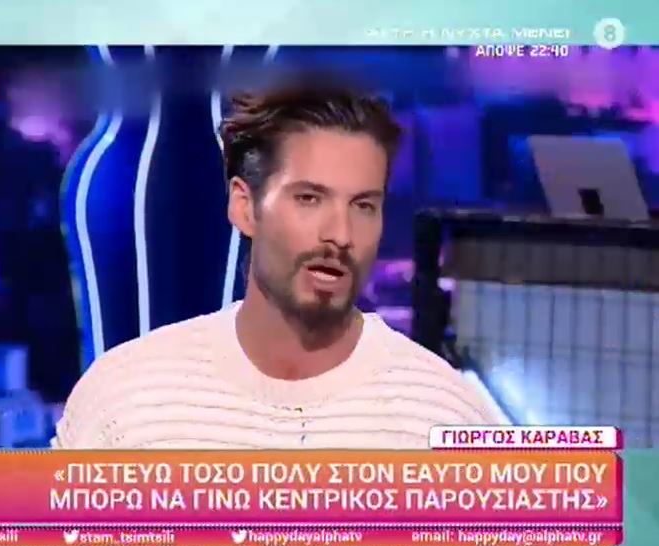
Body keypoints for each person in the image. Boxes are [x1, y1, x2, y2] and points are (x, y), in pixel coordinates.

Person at [52, 79, 503, 449]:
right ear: (244, 207)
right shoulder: (124, 402)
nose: (340, 234)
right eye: (309, 198)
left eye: (363, 206)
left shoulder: (442, 414)